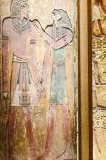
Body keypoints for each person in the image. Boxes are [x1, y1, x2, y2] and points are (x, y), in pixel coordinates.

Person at [2, 0, 42, 158]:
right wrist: (4, 83)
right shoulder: (7, 24)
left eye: (27, 5)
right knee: (12, 113)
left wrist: (38, 82)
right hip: (14, 69)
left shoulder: (31, 27)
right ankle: (9, 150)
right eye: (24, 5)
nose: (27, 8)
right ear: (17, 7)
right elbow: (4, 54)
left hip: (25, 70)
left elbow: (32, 57)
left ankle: (32, 150)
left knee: (27, 112)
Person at [35, 9, 74, 160]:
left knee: (64, 112)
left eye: (56, 16)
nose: (54, 20)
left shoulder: (68, 33)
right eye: (53, 17)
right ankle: (47, 151)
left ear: (62, 17)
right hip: (54, 75)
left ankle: (68, 149)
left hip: (64, 75)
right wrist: (42, 81)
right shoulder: (50, 30)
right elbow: (46, 57)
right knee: (51, 112)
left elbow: (56, 45)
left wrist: (41, 31)